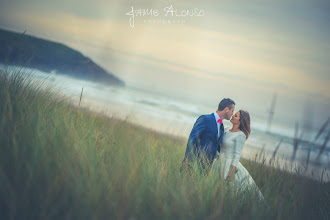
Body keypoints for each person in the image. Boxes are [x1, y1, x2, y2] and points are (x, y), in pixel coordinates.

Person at [211, 110, 265, 202]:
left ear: (240, 121)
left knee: (229, 191)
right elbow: (219, 145)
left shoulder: (240, 135)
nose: (232, 116)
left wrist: (232, 171)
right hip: (219, 163)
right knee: (215, 189)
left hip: (229, 165)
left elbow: (237, 154)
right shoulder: (226, 129)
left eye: (235, 116)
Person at [180, 98, 235, 173]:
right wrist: (188, 160)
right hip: (194, 163)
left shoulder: (221, 126)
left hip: (206, 167)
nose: (232, 114)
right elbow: (192, 139)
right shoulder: (205, 119)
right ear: (226, 109)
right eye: (232, 111)